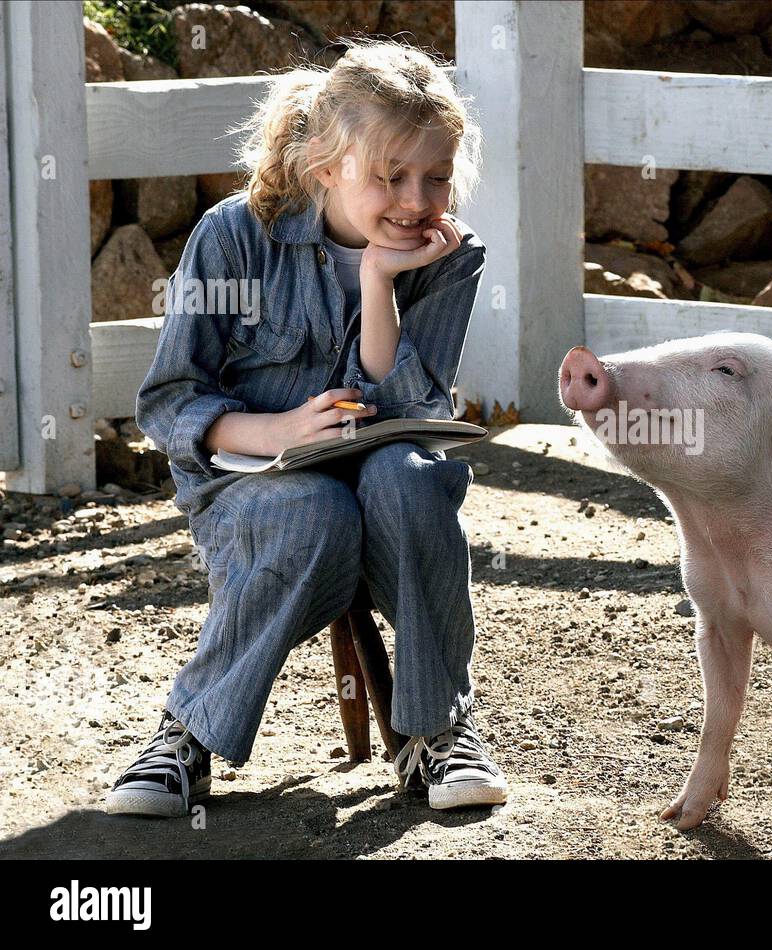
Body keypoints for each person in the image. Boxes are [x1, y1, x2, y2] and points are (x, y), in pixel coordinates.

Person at [106, 40, 506, 817]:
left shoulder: (450, 257)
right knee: (312, 511)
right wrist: (283, 430)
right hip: (256, 490)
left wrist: (379, 280)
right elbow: (170, 400)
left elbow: (414, 406)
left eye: (436, 176)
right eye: (391, 176)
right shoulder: (235, 238)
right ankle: (184, 737)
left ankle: (438, 732)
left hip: (386, 489)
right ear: (326, 166)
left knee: (411, 478)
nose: (417, 199)